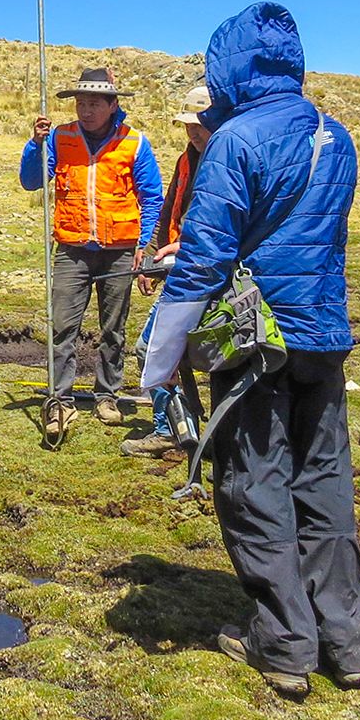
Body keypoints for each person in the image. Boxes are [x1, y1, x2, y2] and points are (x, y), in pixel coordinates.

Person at [140, 2, 360, 699]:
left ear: (231, 66)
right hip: (323, 333)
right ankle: (348, 642)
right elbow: (316, 236)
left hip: (256, 342)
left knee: (253, 481)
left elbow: (204, 260)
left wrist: (160, 359)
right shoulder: (336, 135)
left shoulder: (236, 140)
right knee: (324, 481)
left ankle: (283, 643)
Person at [20, 68, 163, 437]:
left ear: (112, 105)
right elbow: (31, 181)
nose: (86, 110)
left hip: (120, 251)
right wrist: (35, 145)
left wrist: (145, 248)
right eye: (81, 103)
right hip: (71, 249)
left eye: (94, 104)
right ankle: (60, 399)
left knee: (113, 329)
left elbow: (152, 199)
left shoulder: (134, 142)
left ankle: (107, 395)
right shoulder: (59, 137)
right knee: (62, 326)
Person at [124, 85, 213, 458]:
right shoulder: (186, 161)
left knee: (155, 349)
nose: (192, 132)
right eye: (187, 125)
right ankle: (180, 429)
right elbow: (167, 212)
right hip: (183, 272)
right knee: (161, 351)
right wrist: (149, 259)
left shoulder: (228, 161)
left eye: (199, 124)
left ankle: (173, 430)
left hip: (212, 277)